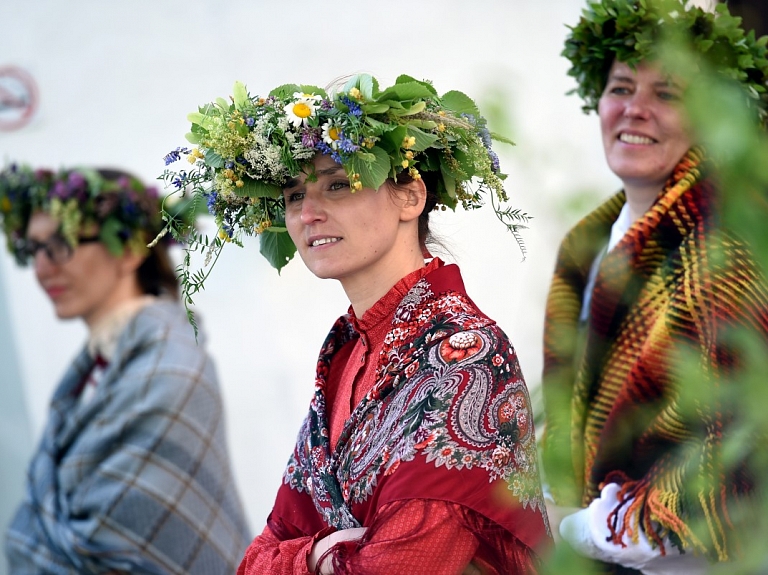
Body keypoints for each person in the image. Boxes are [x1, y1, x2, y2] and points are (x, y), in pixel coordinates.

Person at [161, 74, 552, 573]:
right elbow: (259, 552)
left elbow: (402, 566)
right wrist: (324, 553)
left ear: (411, 196)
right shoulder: (346, 353)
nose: (308, 213)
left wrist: (308, 555)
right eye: (294, 194)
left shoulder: (466, 354)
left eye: (338, 185)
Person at [541, 0, 768, 573]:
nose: (635, 110)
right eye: (621, 87)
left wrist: (572, 527)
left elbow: (729, 473)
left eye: (667, 94)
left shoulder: (727, 247)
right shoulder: (585, 245)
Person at [0, 165, 251, 574]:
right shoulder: (97, 365)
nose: (42, 269)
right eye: (34, 250)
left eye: (61, 245)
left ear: (132, 249)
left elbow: (118, 535)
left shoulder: (172, 368)